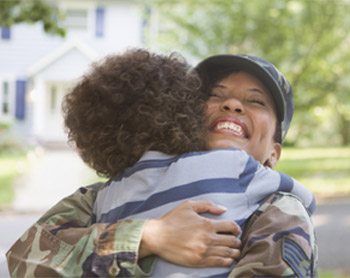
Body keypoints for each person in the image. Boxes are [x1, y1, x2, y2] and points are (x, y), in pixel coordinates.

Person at [6, 51, 318, 277]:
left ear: (275, 153)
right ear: (184, 112)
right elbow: (24, 257)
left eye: (255, 101)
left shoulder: (281, 210)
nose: (232, 104)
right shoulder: (102, 193)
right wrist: (148, 236)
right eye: (214, 95)